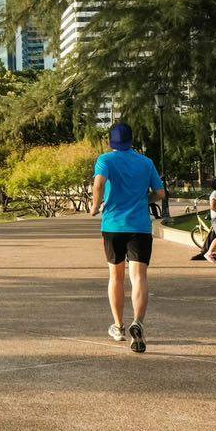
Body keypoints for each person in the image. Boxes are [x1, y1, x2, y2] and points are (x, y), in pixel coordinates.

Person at [90, 122, 166, 354]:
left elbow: (98, 183)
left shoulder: (105, 160)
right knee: (139, 276)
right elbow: (160, 193)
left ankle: (119, 326)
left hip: (113, 225)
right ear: (132, 141)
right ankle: (138, 322)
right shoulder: (146, 162)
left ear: (110, 142)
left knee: (116, 276)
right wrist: (144, 200)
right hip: (140, 226)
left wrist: (95, 206)